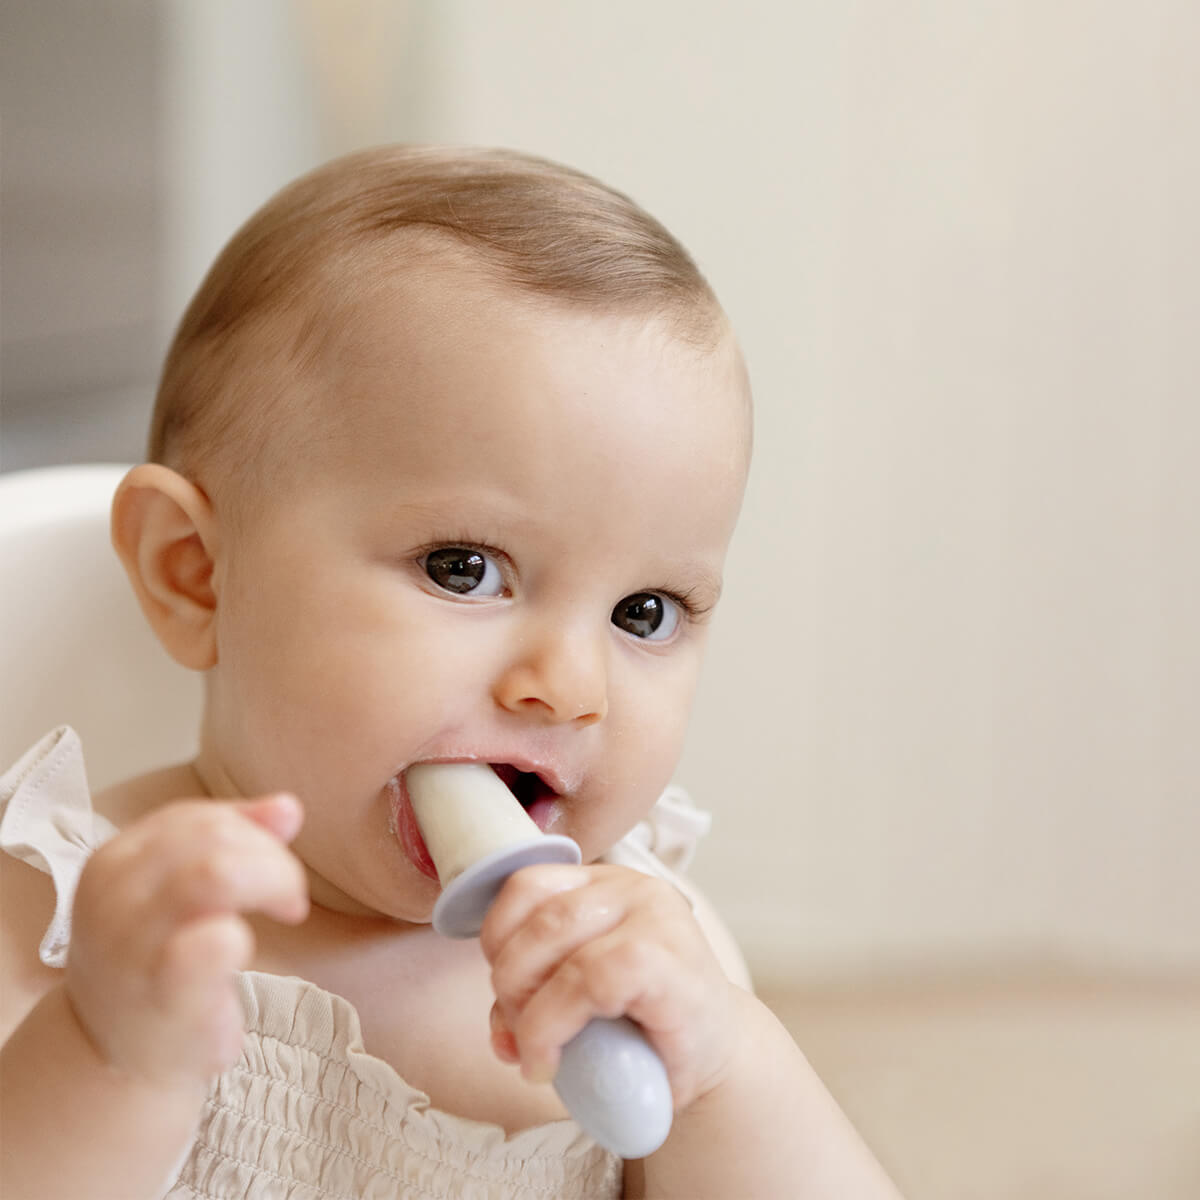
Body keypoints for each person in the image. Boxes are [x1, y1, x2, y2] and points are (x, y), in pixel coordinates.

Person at [0, 145, 901, 1198]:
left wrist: (721, 1074)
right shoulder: (74, 919)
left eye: (643, 612)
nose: (568, 685)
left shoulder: (643, 953)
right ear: (197, 574)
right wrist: (109, 1057)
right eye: (463, 568)